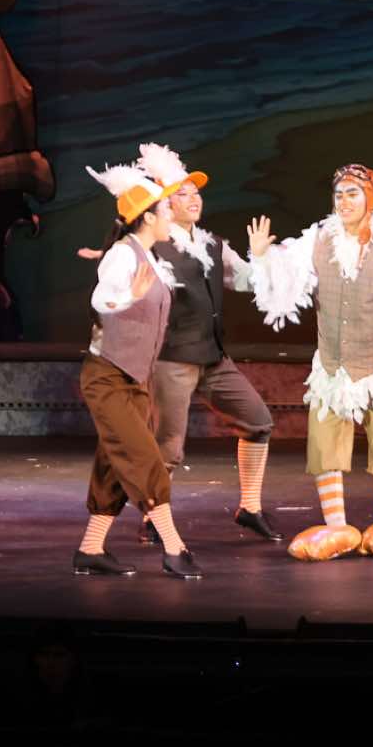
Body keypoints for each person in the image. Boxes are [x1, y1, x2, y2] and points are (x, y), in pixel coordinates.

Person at [246, 163, 373, 559]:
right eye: (339, 194)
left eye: (353, 194)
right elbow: (282, 292)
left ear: (371, 199)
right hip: (333, 366)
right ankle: (337, 528)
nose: (344, 201)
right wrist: (262, 258)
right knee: (325, 443)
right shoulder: (315, 242)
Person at [94, 145, 279, 542]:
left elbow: (245, 281)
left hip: (212, 357)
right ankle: (153, 519)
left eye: (196, 192)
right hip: (171, 360)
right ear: (163, 204)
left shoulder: (212, 244)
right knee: (167, 449)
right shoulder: (150, 246)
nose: (194, 199)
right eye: (182, 193)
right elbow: (116, 285)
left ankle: (249, 508)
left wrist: (260, 257)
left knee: (258, 421)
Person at [73, 159, 202, 580]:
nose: (170, 214)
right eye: (164, 209)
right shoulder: (122, 255)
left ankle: (90, 549)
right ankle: (174, 547)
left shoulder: (149, 255)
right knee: (143, 457)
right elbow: (101, 299)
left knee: (114, 463)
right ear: (147, 217)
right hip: (107, 376)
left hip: (134, 378)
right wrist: (127, 296)